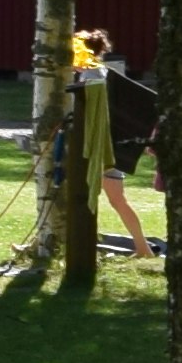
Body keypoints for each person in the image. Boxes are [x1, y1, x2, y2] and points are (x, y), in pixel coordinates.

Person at [66, 25, 155, 255]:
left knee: (115, 200)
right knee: (115, 201)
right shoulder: (96, 72)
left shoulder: (92, 75)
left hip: (99, 149)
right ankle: (143, 248)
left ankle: (143, 248)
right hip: (100, 147)